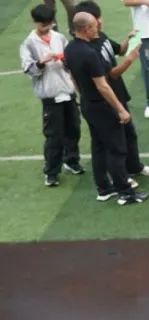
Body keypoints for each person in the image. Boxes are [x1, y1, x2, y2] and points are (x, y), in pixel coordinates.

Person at [72, 0, 149, 201]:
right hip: (104, 103)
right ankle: (124, 191)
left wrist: (128, 42)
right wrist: (119, 109)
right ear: (86, 27)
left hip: (99, 101)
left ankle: (109, 184)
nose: (99, 23)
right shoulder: (88, 52)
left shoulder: (87, 43)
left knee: (117, 140)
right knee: (115, 147)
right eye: (95, 22)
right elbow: (107, 79)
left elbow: (117, 50)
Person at [21, 4, 82, 188]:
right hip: (50, 95)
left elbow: (69, 61)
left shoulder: (59, 37)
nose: (47, 28)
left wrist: (64, 59)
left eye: (49, 24)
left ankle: (71, 161)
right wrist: (41, 62)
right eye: (43, 25)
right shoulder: (28, 43)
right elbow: (28, 69)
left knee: (74, 129)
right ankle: (51, 172)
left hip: (67, 91)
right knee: (54, 136)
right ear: (35, 22)